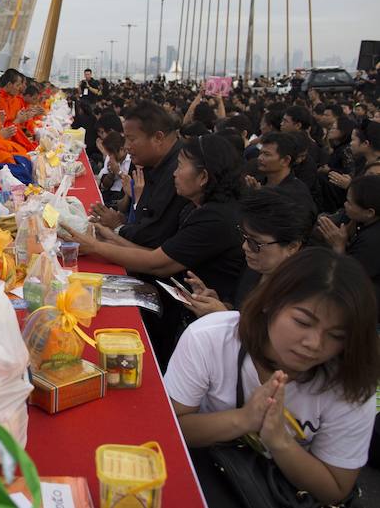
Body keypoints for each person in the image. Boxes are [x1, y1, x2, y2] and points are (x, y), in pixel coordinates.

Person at [166, 249, 380, 505]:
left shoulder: (349, 382)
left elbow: (335, 488)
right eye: (302, 322)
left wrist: (280, 441)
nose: (314, 343)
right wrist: (243, 419)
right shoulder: (210, 338)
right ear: (270, 301)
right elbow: (169, 427)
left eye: (337, 336)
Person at [67, 134, 245, 364]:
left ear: (202, 177)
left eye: (180, 167)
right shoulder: (196, 208)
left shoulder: (215, 218)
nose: (174, 173)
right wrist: (111, 236)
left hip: (208, 323)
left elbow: (158, 263)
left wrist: (95, 246)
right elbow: (159, 253)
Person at [184, 187, 313, 315]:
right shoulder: (254, 269)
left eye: (255, 243)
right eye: (244, 237)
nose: (245, 246)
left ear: (292, 247)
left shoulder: (300, 294)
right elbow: (237, 307)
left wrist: (223, 316)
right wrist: (215, 304)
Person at [89, 101, 191, 250]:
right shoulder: (153, 162)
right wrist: (122, 220)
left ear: (158, 138)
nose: (126, 146)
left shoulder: (178, 172)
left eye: (132, 139)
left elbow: (154, 238)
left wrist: (118, 227)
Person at [317, 175, 380, 307]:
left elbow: (350, 281)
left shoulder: (372, 241)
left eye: (350, 202)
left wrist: (338, 246)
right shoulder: (362, 221)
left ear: (369, 212)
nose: (345, 205)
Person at [248, 132, 317, 219]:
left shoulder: (297, 194)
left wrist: (262, 197)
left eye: (267, 154)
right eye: (261, 153)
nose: (260, 158)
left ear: (285, 160)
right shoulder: (257, 181)